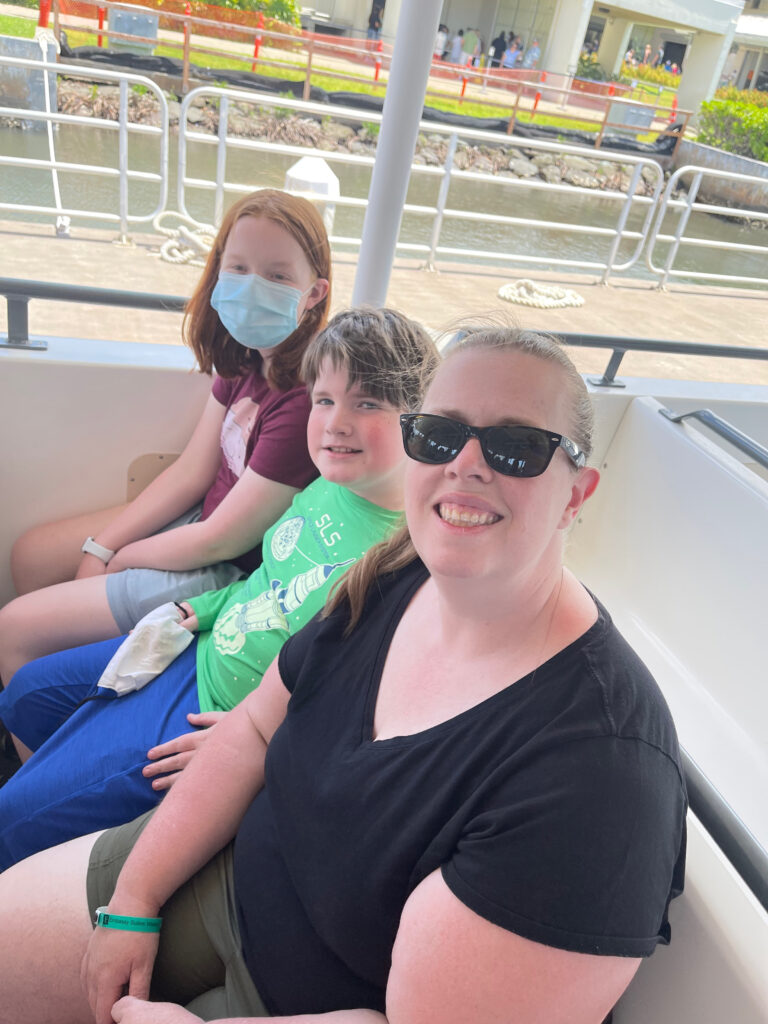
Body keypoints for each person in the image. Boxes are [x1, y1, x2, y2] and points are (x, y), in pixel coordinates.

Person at [0, 326, 687, 1024]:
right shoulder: (392, 575)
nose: (466, 465)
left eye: (517, 447)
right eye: (439, 436)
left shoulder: (602, 774)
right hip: (227, 876)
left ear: (578, 493)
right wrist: (135, 904)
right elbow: (253, 732)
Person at [0, 307, 439, 868]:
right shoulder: (331, 486)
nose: (335, 423)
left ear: (419, 417)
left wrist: (252, 742)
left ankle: (57, 854)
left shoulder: (402, 557)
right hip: (200, 645)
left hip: (218, 711)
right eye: (324, 400)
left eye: (368, 403)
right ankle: (75, 825)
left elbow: (369, 709)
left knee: (15, 817)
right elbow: (267, 583)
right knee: (26, 697)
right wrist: (200, 608)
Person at [0, 190, 332, 715]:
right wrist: (103, 547)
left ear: (313, 294)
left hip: (227, 571)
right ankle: (69, 688)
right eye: (239, 267)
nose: (252, 287)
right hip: (197, 523)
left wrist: (117, 558)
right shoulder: (246, 359)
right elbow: (192, 471)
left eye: (277, 276)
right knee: (33, 553)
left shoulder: (301, 401)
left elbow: (226, 539)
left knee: (13, 630)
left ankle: (46, 752)